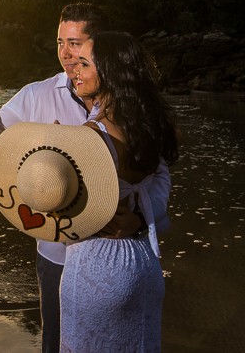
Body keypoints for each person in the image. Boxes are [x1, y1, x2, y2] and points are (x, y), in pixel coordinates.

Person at [0, 4, 172, 353]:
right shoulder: (37, 95)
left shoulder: (126, 111)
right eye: (60, 41)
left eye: (76, 44)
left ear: (101, 47)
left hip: (108, 254)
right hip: (59, 256)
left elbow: (159, 176)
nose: (65, 54)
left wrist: (139, 219)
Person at [58, 31, 181, 352]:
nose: (74, 71)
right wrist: (139, 220)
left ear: (109, 73)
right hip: (143, 259)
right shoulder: (156, 125)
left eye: (84, 65)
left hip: (97, 265)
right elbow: (160, 187)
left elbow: (61, 214)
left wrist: (54, 158)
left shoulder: (91, 135)